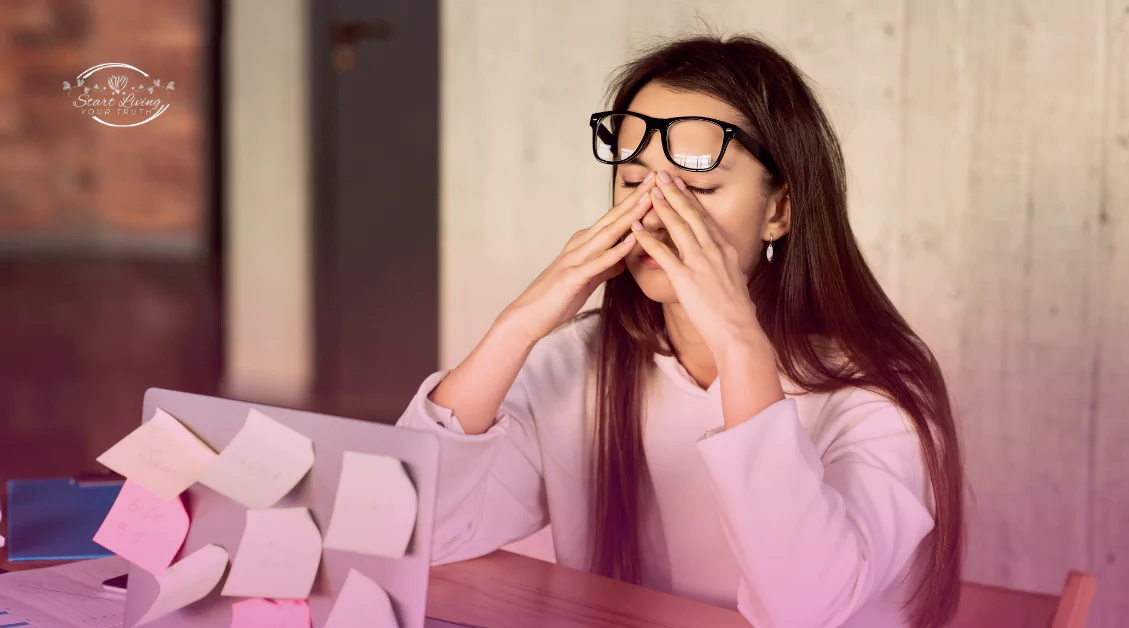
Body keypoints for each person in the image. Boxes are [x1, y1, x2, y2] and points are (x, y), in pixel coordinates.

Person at [398, 34, 964, 628]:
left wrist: (740, 343)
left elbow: (805, 605)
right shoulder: (577, 362)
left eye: (695, 189)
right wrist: (516, 326)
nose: (654, 215)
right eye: (632, 179)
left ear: (779, 210)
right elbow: (412, 532)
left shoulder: (874, 391)